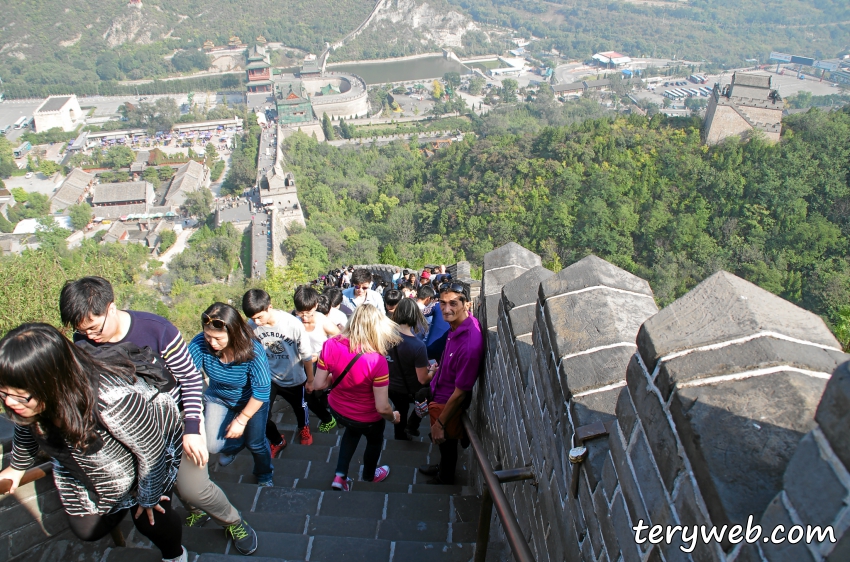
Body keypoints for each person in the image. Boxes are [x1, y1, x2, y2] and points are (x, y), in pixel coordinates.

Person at [59, 277, 257, 555]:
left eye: (94, 327)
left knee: (193, 488)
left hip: (175, 424)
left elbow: (189, 378)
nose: (89, 336)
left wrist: (192, 428)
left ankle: (233, 520)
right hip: (131, 433)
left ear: (111, 308)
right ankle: (191, 512)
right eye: (82, 330)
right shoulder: (84, 342)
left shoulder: (156, 330)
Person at [0, 324, 186, 562]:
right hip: (93, 466)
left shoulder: (112, 399)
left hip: (150, 455)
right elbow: (26, 424)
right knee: (88, 529)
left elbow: (152, 450)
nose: (11, 403)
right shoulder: (31, 401)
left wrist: (148, 496)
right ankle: (118, 502)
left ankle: (175, 555)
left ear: (52, 380)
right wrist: (17, 467)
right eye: (3, 394)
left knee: (149, 519)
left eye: (21, 396)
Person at [313, 305, 401, 491]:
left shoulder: (330, 344)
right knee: (375, 441)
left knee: (351, 432)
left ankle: (340, 476)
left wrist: (335, 377)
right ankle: (370, 476)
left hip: (338, 409)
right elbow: (382, 407)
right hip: (367, 417)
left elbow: (319, 385)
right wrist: (393, 417)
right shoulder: (377, 361)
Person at [188, 303, 273, 488]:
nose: (212, 342)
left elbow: (262, 390)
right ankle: (235, 446)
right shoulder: (199, 343)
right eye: (208, 336)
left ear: (233, 333)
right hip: (219, 397)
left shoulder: (253, 351)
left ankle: (264, 473)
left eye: (218, 338)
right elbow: (186, 374)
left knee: (256, 444)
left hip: (251, 400)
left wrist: (242, 420)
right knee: (213, 446)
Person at [419, 282, 483, 485]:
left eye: (453, 303)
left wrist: (440, 423)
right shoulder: (456, 325)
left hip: (448, 401)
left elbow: (461, 393)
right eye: (443, 303)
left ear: (467, 304)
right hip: (438, 389)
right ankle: (441, 467)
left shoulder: (469, 343)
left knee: (445, 441)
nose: (447, 310)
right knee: (443, 443)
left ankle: (445, 477)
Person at [242, 289, 315, 451]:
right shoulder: (251, 326)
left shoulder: (292, 324)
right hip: (268, 378)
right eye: (253, 318)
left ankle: (304, 428)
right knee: (261, 414)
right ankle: (277, 440)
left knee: (300, 407)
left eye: (259, 317)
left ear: (269, 307)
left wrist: (310, 380)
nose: (257, 322)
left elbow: (306, 355)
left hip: (294, 377)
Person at [387, 298, 437, 440]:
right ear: (416, 316)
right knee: (427, 394)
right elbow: (422, 379)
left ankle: (400, 435)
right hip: (408, 387)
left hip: (389, 386)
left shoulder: (384, 337)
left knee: (399, 410)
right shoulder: (418, 346)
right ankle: (410, 427)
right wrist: (433, 371)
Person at [294, 286, 341, 433]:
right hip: (300, 362)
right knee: (306, 395)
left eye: (308, 313)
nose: (304, 317)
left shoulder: (323, 322)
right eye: (300, 313)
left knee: (311, 393)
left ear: (315, 306)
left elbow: (339, 342)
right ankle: (327, 416)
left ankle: (328, 418)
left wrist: (320, 356)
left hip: (320, 362)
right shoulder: (294, 321)